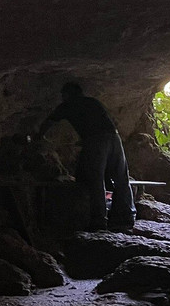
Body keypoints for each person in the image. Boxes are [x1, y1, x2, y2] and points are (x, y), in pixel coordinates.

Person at [37, 82, 135, 232]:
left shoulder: (68, 105)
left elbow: (49, 122)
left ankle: (99, 221)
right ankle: (125, 217)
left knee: (95, 179)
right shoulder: (93, 102)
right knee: (121, 177)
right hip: (114, 138)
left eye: (63, 95)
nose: (62, 98)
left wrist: (38, 137)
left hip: (96, 141)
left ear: (68, 95)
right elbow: (101, 123)